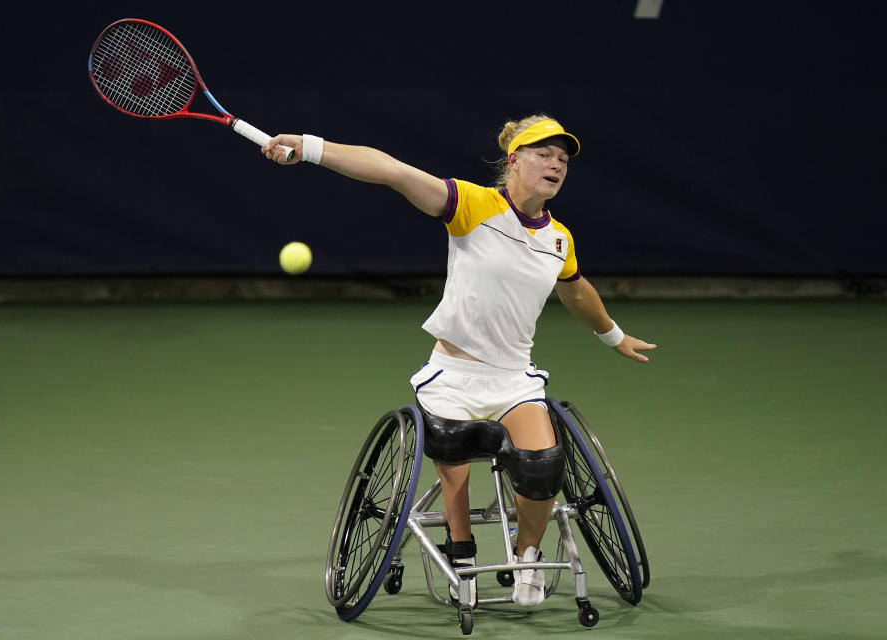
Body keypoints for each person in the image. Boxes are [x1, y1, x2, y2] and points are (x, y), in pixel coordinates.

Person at [261, 115, 656, 607]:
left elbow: (577, 292)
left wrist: (613, 336)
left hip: (514, 381)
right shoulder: (472, 205)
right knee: (452, 448)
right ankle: (461, 548)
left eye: (562, 159)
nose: (555, 164)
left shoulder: (559, 240)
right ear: (514, 159)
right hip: (454, 377)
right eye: (543, 154)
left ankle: (528, 560)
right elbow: (392, 171)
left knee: (544, 466)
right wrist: (312, 147)